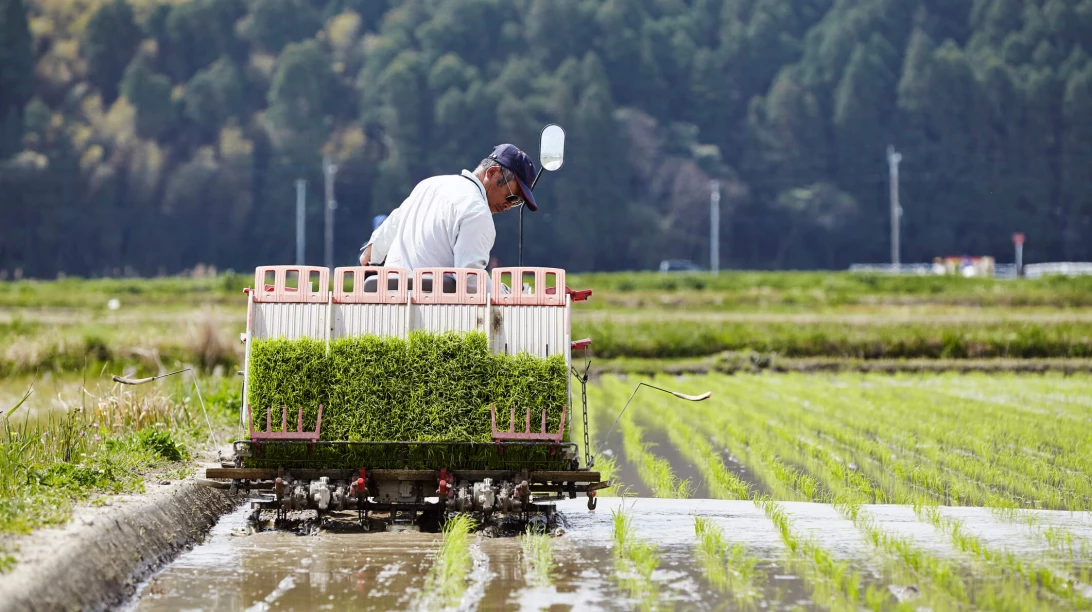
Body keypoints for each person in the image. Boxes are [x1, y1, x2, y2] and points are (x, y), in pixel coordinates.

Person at [359, 144, 537, 271]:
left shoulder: (428, 185)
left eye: (517, 202)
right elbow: (471, 283)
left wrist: (372, 254)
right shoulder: (477, 212)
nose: (509, 205)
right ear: (492, 173)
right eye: (511, 196)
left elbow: (373, 249)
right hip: (432, 313)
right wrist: (505, 293)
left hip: (390, 302)